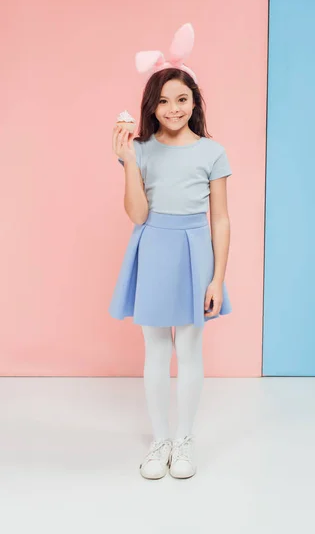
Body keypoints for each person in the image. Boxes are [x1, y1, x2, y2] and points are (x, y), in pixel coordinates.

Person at [109, 24, 232, 480]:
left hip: (195, 251)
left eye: (181, 99)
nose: (173, 108)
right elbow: (138, 215)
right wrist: (127, 162)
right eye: (163, 101)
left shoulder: (213, 152)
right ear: (150, 107)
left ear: (195, 102)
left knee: (192, 349)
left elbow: (220, 218)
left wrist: (217, 277)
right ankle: (160, 439)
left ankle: (184, 440)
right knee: (156, 349)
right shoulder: (139, 150)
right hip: (154, 247)